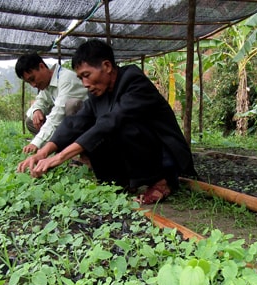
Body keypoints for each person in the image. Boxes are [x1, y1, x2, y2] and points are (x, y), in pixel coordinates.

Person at [17, 39, 197, 204]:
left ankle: (162, 181)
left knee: (113, 126)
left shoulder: (133, 81)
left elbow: (113, 121)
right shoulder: (97, 93)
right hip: (141, 151)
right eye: (81, 78)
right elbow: (74, 122)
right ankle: (121, 181)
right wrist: (43, 152)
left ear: (107, 66)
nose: (85, 83)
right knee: (88, 128)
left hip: (166, 155)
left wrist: (60, 157)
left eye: (87, 75)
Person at [15, 53, 88, 154]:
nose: (33, 85)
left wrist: (36, 143)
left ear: (41, 66)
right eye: (29, 82)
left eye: (32, 79)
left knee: (72, 105)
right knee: (31, 120)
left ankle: (80, 152)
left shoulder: (66, 80)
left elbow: (57, 116)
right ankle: (59, 149)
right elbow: (40, 100)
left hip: (89, 125)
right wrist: (37, 110)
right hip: (66, 125)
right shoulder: (47, 84)